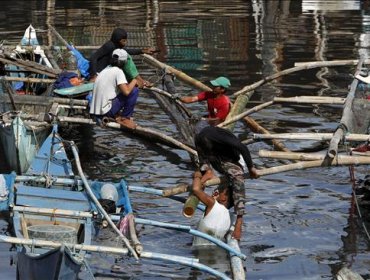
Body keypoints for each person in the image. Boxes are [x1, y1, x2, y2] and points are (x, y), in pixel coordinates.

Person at [194, 125, 259, 240]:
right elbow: (203, 158)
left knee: (237, 177)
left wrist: (251, 168)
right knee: (230, 179)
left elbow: (243, 148)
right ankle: (208, 172)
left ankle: (239, 220)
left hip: (232, 160)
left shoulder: (219, 138)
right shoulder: (201, 139)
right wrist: (202, 174)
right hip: (215, 159)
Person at [89, 49, 139, 129]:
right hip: (106, 111)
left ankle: (117, 115)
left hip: (96, 111)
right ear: (123, 62)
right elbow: (126, 92)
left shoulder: (105, 70)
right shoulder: (118, 71)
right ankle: (125, 118)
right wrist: (135, 80)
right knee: (134, 90)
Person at [89, 27, 155, 87]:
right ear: (117, 40)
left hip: (107, 70)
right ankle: (140, 81)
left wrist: (143, 51)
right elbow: (93, 57)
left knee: (124, 57)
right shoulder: (109, 46)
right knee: (127, 58)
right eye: (123, 41)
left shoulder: (116, 46)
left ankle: (138, 81)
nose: (125, 43)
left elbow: (127, 51)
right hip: (100, 72)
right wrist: (94, 75)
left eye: (126, 40)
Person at [191, 169, 232, 246]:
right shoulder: (230, 217)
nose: (215, 192)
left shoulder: (213, 204)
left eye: (219, 191)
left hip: (198, 251)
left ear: (224, 198)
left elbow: (196, 189)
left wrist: (197, 175)